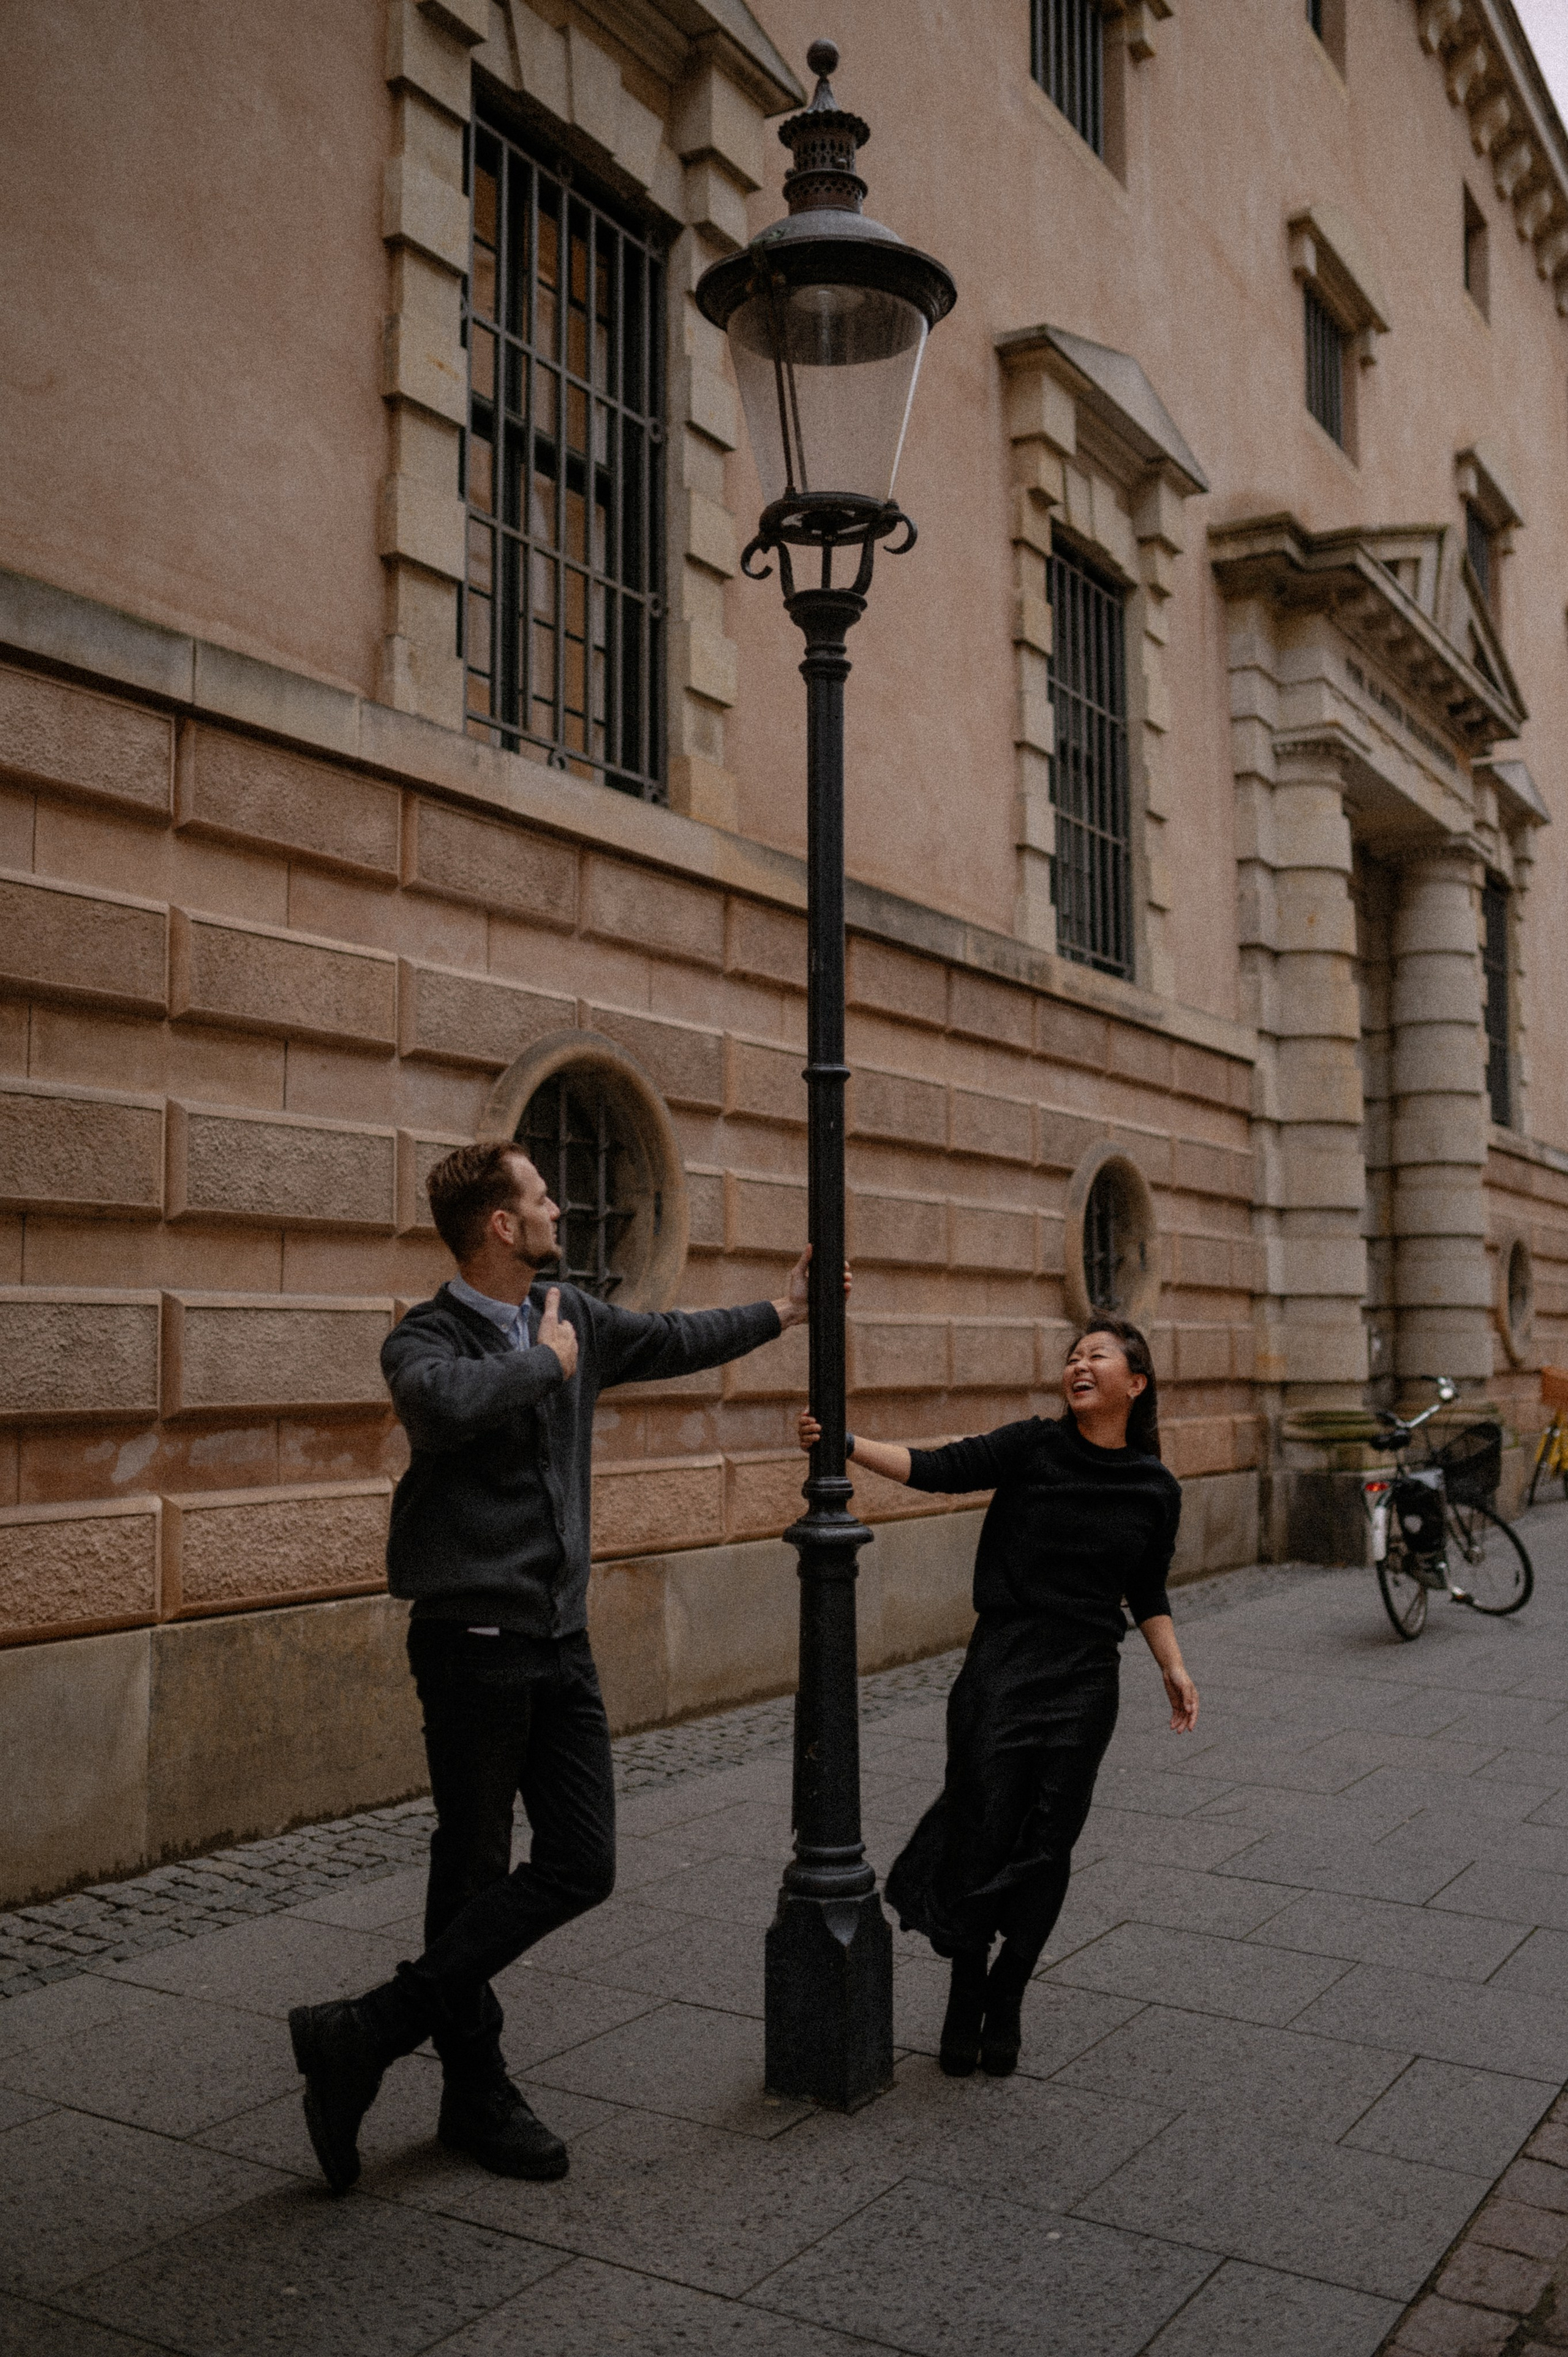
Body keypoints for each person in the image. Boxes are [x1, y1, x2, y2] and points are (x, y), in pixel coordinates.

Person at [289, 1138, 819, 2193]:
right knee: (474, 1862)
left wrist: (782, 1311)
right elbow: (443, 1407)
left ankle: (366, 2029)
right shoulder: (424, 1337)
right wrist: (546, 1364)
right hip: (472, 1642)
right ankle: (474, 2085)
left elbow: (670, 1337)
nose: (556, 1212)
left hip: (561, 1640)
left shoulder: (573, 1308)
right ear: (498, 1222)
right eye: (539, 1197)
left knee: (583, 1859)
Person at [797, 1314, 1198, 2080]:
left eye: (1097, 1356)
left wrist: (1171, 1666)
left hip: (1084, 1678)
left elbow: (1145, 1587)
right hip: (1002, 1667)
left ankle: (1008, 1988)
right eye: (1073, 1355)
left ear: (1135, 1383)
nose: (1078, 1364)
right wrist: (845, 1444)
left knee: (1048, 1842)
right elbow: (937, 1466)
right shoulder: (1031, 1446)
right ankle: (966, 1983)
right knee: (983, 1828)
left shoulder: (1155, 1487)